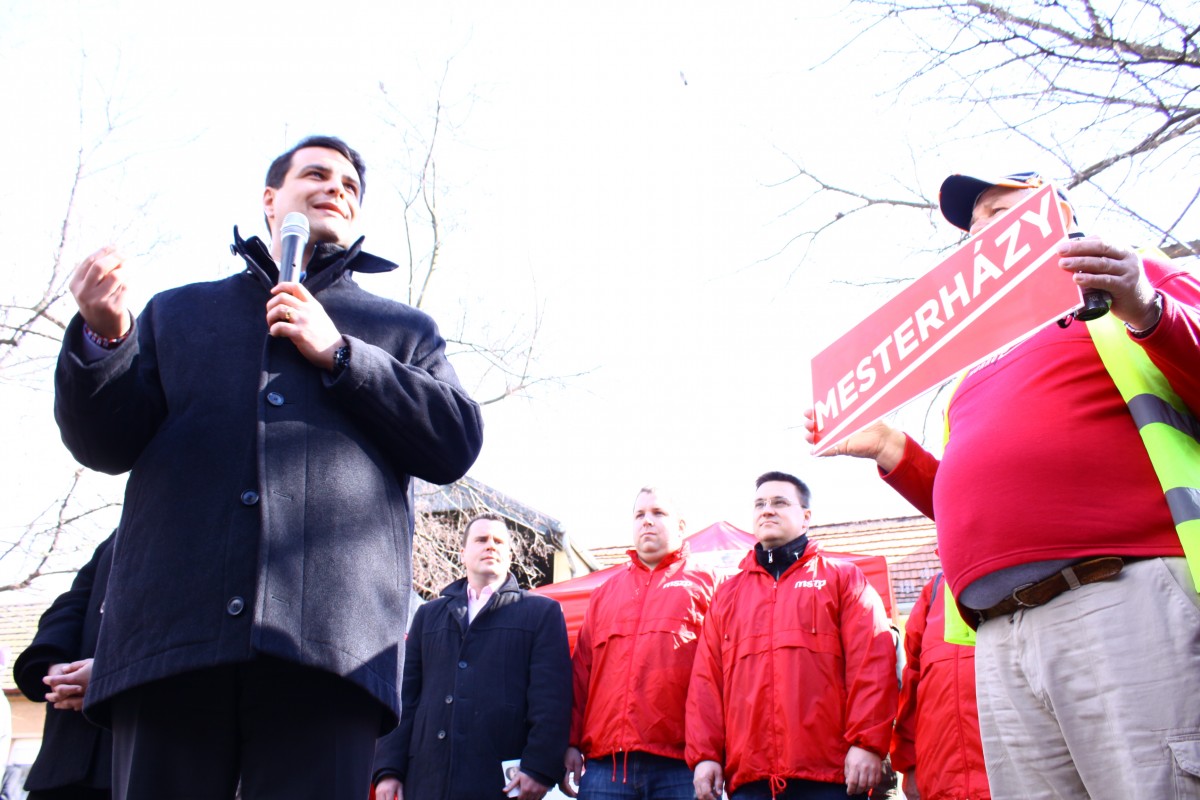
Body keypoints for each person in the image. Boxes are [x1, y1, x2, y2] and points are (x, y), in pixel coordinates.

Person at [53, 135, 485, 800]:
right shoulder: (177, 313)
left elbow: (454, 440)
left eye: (349, 184)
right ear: (269, 200)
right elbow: (103, 444)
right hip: (171, 647)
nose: (335, 187)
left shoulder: (403, 332)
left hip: (327, 661)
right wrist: (106, 340)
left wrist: (342, 354)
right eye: (315, 173)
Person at [806, 171, 1200, 798]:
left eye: (1000, 210)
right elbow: (978, 508)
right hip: (999, 635)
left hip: (1118, 595)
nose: (981, 229)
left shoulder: (1137, 279)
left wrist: (1143, 305)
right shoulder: (974, 367)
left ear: (1058, 211)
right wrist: (891, 450)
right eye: (974, 224)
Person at [686, 472, 897, 800]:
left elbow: (873, 663)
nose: (766, 510)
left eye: (779, 502)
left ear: (806, 517)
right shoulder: (727, 596)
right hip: (749, 781)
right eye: (760, 504)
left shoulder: (843, 579)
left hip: (830, 778)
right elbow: (706, 684)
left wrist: (866, 743)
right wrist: (705, 756)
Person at [373, 514, 570, 800]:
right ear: (463, 552)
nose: (491, 546)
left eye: (499, 541)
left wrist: (540, 767)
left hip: (500, 784)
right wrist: (388, 769)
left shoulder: (542, 614)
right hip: (426, 781)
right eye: (481, 539)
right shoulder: (427, 617)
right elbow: (405, 698)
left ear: (509, 554)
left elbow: (551, 699)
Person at [562, 487, 718, 799]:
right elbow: (581, 674)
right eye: (639, 515)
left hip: (682, 768)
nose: (647, 521)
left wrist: (713, 753)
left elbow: (721, 676)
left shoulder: (710, 584)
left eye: (658, 513)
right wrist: (570, 741)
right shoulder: (605, 592)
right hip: (606, 769)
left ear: (681, 526)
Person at [13, 533, 115, 800]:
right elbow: (74, 600)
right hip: (65, 754)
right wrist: (55, 665)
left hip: (138, 751)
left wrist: (115, 673)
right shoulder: (121, 530)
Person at [890, 572, 989, 800]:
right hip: (940, 783)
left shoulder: (1022, 575)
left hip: (1009, 782)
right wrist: (910, 765)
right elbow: (913, 687)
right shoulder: (935, 590)